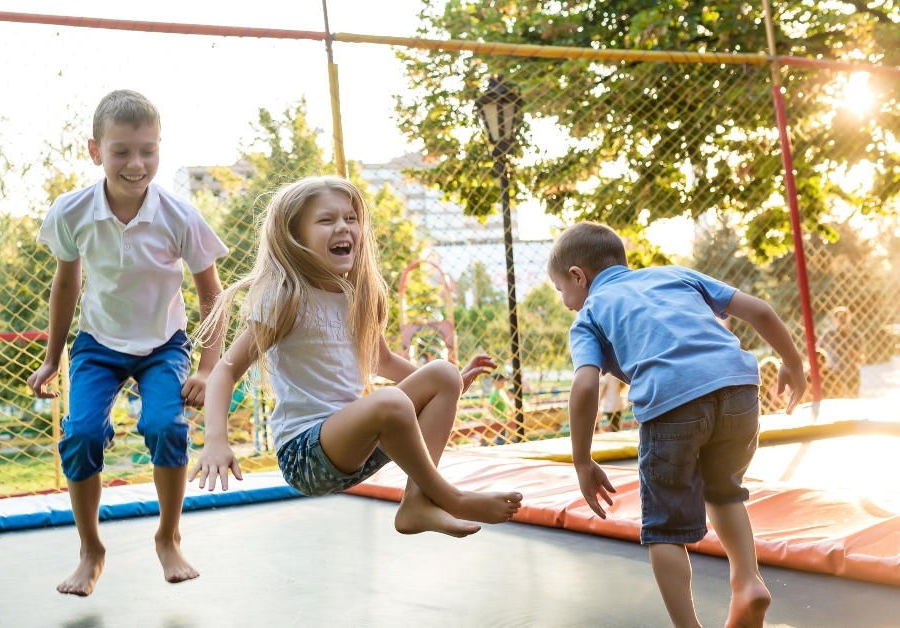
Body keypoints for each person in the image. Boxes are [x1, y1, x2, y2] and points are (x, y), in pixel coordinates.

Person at [191, 176, 523, 537]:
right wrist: (216, 441)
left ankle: (416, 504)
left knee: (442, 373)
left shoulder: (360, 296)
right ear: (295, 236)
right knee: (390, 402)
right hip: (306, 454)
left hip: (360, 446)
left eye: (350, 218)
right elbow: (225, 371)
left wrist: (453, 384)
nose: (343, 227)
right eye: (326, 220)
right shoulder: (284, 296)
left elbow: (384, 362)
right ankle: (450, 497)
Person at [548, 222, 805, 628]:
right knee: (725, 491)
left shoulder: (590, 315)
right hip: (739, 387)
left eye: (561, 290)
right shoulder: (673, 274)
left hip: (672, 403)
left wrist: (582, 460)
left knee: (664, 528)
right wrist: (793, 363)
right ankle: (747, 581)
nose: (566, 302)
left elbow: (583, 387)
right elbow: (758, 309)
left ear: (578, 276)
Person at [27, 90, 228, 596]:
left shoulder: (180, 216)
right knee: (81, 436)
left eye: (148, 150)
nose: (137, 164)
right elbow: (66, 284)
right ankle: (91, 550)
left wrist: (207, 368)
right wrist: (53, 358)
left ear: (160, 149)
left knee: (165, 425)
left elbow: (213, 297)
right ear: (95, 151)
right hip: (99, 343)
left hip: (165, 343)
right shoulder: (72, 212)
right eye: (122, 151)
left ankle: (169, 537)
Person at [819, 306, 863, 398]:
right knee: (837, 398)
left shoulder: (855, 335)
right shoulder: (829, 334)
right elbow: (818, 350)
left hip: (852, 371)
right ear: (834, 319)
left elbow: (862, 357)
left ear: (849, 318)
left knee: (853, 398)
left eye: (845, 317)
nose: (843, 320)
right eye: (840, 317)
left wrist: (855, 354)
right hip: (835, 372)